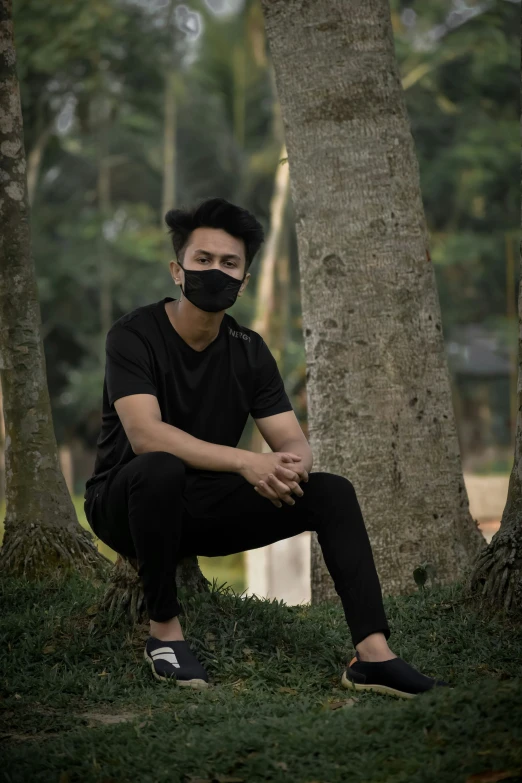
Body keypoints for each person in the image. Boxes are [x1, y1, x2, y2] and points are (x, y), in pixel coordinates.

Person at [84, 197, 449, 698]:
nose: (216, 272)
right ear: (177, 270)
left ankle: (373, 654)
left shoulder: (249, 350)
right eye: (203, 260)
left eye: (229, 264)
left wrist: (287, 470)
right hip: (125, 502)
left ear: (244, 280)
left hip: (203, 507)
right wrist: (247, 463)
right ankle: (165, 634)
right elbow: (145, 435)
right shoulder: (133, 335)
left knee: (331, 492)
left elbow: (293, 441)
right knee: (160, 467)